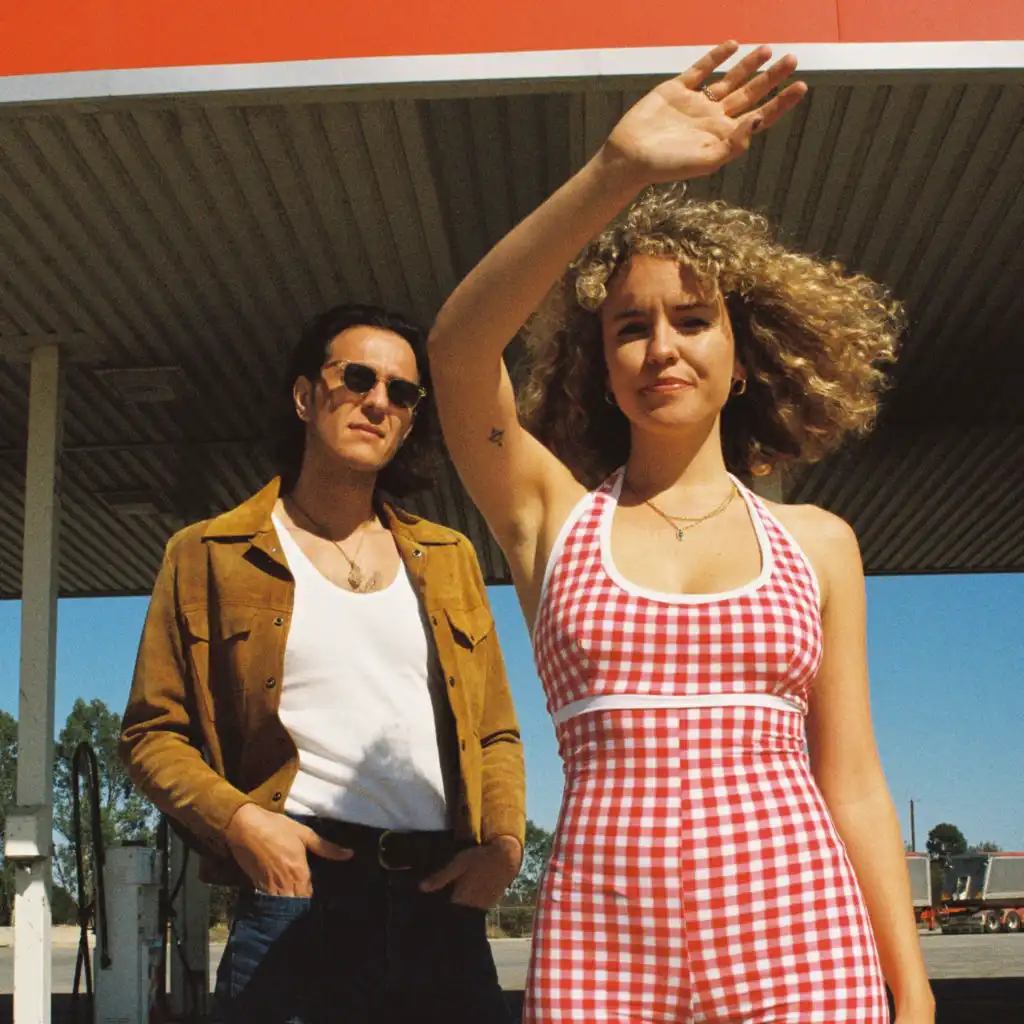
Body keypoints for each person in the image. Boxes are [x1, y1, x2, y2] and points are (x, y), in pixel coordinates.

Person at [428, 42, 934, 1024]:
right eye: (630, 327)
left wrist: (911, 991)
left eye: (693, 320)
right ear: (602, 366)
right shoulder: (550, 519)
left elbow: (853, 781)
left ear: (742, 359)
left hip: (802, 945)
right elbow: (456, 353)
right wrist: (613, 173)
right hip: (599, 953)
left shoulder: (818, 543)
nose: (661, 346)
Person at [120, 303, 526, 1024]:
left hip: (440, 900)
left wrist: (504, 847)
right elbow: (153, 733)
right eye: (358, 378)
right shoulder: (208, 553)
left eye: (402, 392)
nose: (378, 401)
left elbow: (495, 730)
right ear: (306, 396)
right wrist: (243, 823)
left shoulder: (450, 558)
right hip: (297, 894)